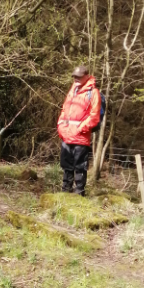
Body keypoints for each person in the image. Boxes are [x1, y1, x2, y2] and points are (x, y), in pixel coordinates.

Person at [56, 64, 102, 196]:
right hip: (67, 134)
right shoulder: (72, 90)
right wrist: (60, 126)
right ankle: (65, 191)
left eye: (79, 77)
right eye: (74, 76)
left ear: (86, 77)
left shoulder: (93, 93)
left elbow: (94, 116)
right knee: (66, 165)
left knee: (80, 166)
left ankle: (79, 193)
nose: (76, 79)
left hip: (81, 136)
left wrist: (80, 129)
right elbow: (64, 110)